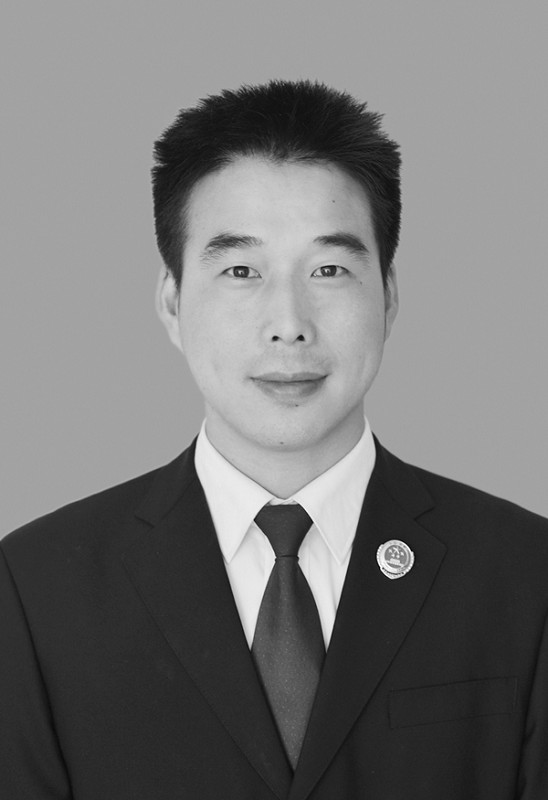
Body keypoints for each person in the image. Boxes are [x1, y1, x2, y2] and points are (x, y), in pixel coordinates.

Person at [1, 79, 547, 800]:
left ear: (388, 297)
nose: (288, 323)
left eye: (329, 269)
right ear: (172, 301)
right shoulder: (36, 590)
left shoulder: (525, 575)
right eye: (241, 270)